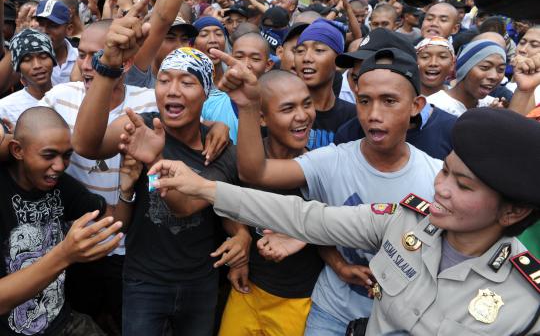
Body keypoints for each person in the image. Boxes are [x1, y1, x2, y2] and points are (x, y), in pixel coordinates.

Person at [149, 107, 540, 336]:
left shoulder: (528, 303)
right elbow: (305, 217)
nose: (443, 188)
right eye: (445, 172)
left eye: (464, 186)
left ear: (513, 211)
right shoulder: (403, 221)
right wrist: (204, 188)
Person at [208, 44, 441, 336]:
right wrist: (247, 107)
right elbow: (252, 174)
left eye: (389, 101)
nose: (374, 114)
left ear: (416, 106)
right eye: (365, 101)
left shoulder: (438, 178)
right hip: (326, 311)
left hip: (395, 322)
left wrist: (306, 235)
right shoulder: (330, 162)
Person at [71, 5, 250, 335]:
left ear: (206, 91)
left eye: (187, 82)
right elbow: (85, 144)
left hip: (200, 281)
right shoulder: (144, 125)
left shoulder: (220, 147)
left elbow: (186, 207)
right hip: (144, 282)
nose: (173, 90)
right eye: (164, 80)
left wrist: (241, 235)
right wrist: (108, 65)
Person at [0, 106, 127, 336]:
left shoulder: (60, 186)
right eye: (48, 155)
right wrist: (65, 254)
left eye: (66, 155)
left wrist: (127, 189)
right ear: (17, 150)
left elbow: (116, 220)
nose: (59, 166)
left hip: (62, 322)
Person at [218, 70, 324, 336]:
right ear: (262, 117)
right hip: (247, 289)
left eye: (307, 104)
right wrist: (240, 234)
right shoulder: (238, 159)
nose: (302, 116)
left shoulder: (321, 169)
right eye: (288, 108)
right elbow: (220, 201)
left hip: (299, 300)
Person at [334, 29, 456, 161]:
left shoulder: (453, 132)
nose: (360, 89)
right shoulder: (348, 134)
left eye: (389, 100)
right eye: (356, 79)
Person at [293, 18, 356, 149]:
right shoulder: (282, 112)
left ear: (339, 62)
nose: (306, 58)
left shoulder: (354, 117)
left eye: (319, 50)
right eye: (300, 51)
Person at [202, 32, 273, 144]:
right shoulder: (210, 103)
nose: (245, 65)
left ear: (268, 65)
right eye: (239, 57)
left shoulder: (278, 104)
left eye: (255, 59)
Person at [428, 39, 506, 117]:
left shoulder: (493, 105)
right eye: (485, 67)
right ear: (465, 68)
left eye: (501, 69)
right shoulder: (433, 106)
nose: (494, 76)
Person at [0, 29, 56, 125]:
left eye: (43, 56)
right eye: (27, 59)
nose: (37, 65)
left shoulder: (68, 95)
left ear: (53, 60)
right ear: (18, 67)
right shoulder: (5, 108)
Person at [35, 0, 78, 85]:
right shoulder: (31, 62)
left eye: (53, 25)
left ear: (69, 29)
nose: (44, 31)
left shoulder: (80, 58)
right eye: (41, 24)